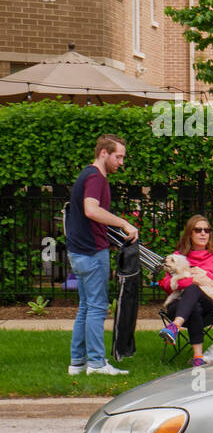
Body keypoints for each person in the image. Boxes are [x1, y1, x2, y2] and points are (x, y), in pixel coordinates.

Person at [66, 134, 137, 376]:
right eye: (118, 156)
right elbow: (91, 210)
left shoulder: (88, 175)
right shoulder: (96, 177)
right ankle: (96, 364)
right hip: (91, 252)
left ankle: (77, 363)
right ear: (103, 153)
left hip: (79, 252)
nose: (121, 162)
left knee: (86, 307)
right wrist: (124, 224)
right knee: (96, 308)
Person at [158, 215, 213, 366]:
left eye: (207, 230)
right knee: (194, 302)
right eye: (198, 230)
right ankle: (198, 358)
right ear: (189, 233)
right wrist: (192, 280)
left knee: (194, 292)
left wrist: (207, 276)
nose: (203, 233)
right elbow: (167, 285)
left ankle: (175, 326)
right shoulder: (178, 257)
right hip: (179, 305)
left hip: (209, 306)